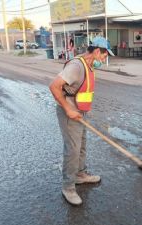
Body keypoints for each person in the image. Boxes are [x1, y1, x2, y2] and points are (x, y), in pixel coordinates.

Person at [49, 37, 115, 205]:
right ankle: (68, 187)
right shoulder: (76, 66)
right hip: (69, 113)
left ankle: (80, 174)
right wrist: (69, 109)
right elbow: (54, 86)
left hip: (79, 112)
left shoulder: (88, 64)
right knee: (72, 149)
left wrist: (81, 109)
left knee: (82, 145)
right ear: (97, 51)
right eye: (104, 55)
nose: (104, 59)